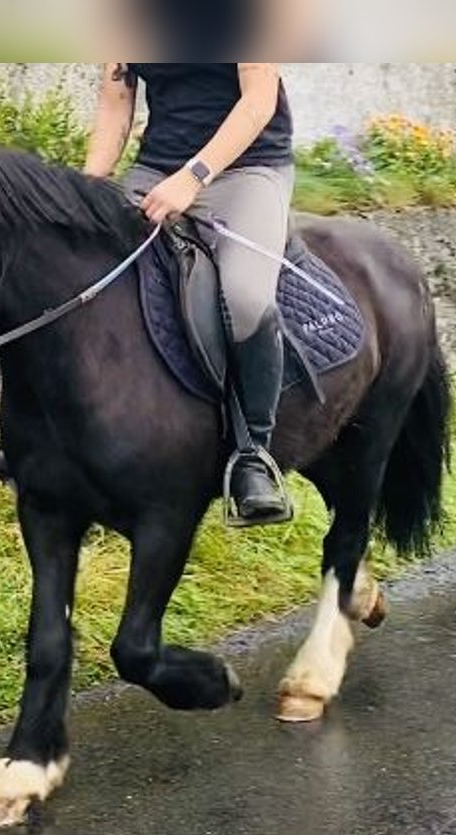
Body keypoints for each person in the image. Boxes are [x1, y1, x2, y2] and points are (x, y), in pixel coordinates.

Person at [87, 63, 295, 524]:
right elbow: (115, 103)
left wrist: (192, 176)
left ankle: (252, 455)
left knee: (243, 297)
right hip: (156, 172)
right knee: (82, 272)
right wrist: (86, 188)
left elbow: (258, 101)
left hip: (246, 171)